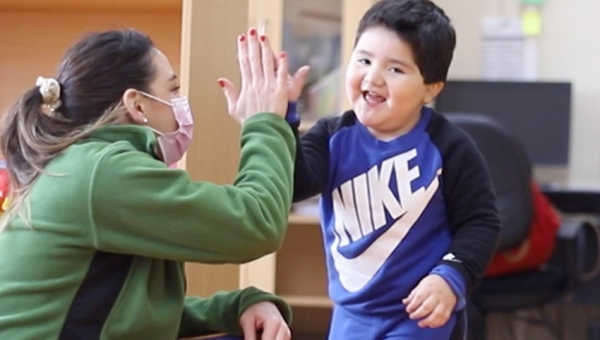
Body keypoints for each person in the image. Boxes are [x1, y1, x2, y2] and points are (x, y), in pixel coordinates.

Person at [0, 28, 299, 340]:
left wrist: (235, 307)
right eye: (173, 90)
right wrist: (265, 122)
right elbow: (257, 223)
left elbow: (121, 317)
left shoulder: (84, 165)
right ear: (138, 105)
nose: (181, 103)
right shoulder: (102, 171)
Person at [285, 0, 501, 339]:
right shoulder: (331, 136)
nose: (373, 77)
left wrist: (451, 276)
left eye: (395, 69)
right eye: (364, 60)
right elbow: (295, 185)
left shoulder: (449, 147)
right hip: (351, 314)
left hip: (420, 317)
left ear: (431, 88)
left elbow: (481, 221)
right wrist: (282, 119)